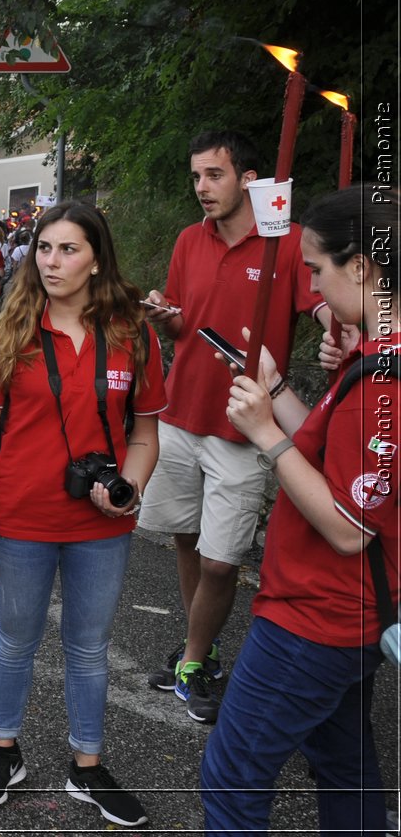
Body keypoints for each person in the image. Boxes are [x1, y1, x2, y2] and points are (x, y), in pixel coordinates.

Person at [0, 201, 165, 828]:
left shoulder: (134, 332)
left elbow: (147, 435)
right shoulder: (7, 330)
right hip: (18, 520)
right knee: (15, 641)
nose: (51, 261)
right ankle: (4, 750)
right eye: (44, 248)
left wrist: (125, 488)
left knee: (90, 647)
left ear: (96, 257)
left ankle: (87, 764)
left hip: (100, 527)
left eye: (67, 249)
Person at [199, 184, 396, 833]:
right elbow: (330, 448)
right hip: (346, 613)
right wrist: (275, 387)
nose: (309, 285)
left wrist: (263, 433)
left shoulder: (385, 379)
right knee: (344, 766)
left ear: (362, 268)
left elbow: (347, 524)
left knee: (231, 774)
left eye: (316, 269)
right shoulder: (374, 360)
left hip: (319, 615)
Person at [137, 131, 329, 723]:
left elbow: (323, 303)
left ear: (247, 179)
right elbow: (182, 326)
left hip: (246, 426)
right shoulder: (188, 240)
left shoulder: (285, 242)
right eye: (196, 177)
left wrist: (333, 327)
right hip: (180, 413)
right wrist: (165, 317)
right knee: (187, 537)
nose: (201, 188)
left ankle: (192, 662)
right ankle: (204, 650)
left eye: (214, 175)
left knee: (223, 560)